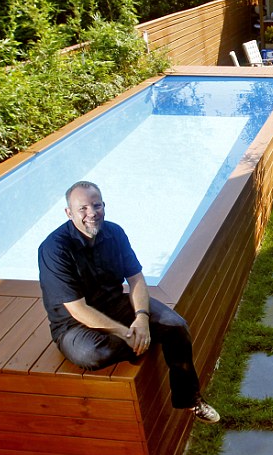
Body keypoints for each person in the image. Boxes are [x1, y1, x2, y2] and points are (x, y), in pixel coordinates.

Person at [38, 181, 219, 424]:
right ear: (69, 213)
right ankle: (140, 341)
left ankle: (189, 399)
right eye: (83, 208)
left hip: (115, 305)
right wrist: (126, 333)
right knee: (92, 354)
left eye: (96, 205)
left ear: (104, 206)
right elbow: (78, 309)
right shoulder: (54, 249)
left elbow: (136, 279)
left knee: (176, 326)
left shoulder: (114, 233)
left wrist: (142, 318)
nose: (92, 213)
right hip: (74, 324)